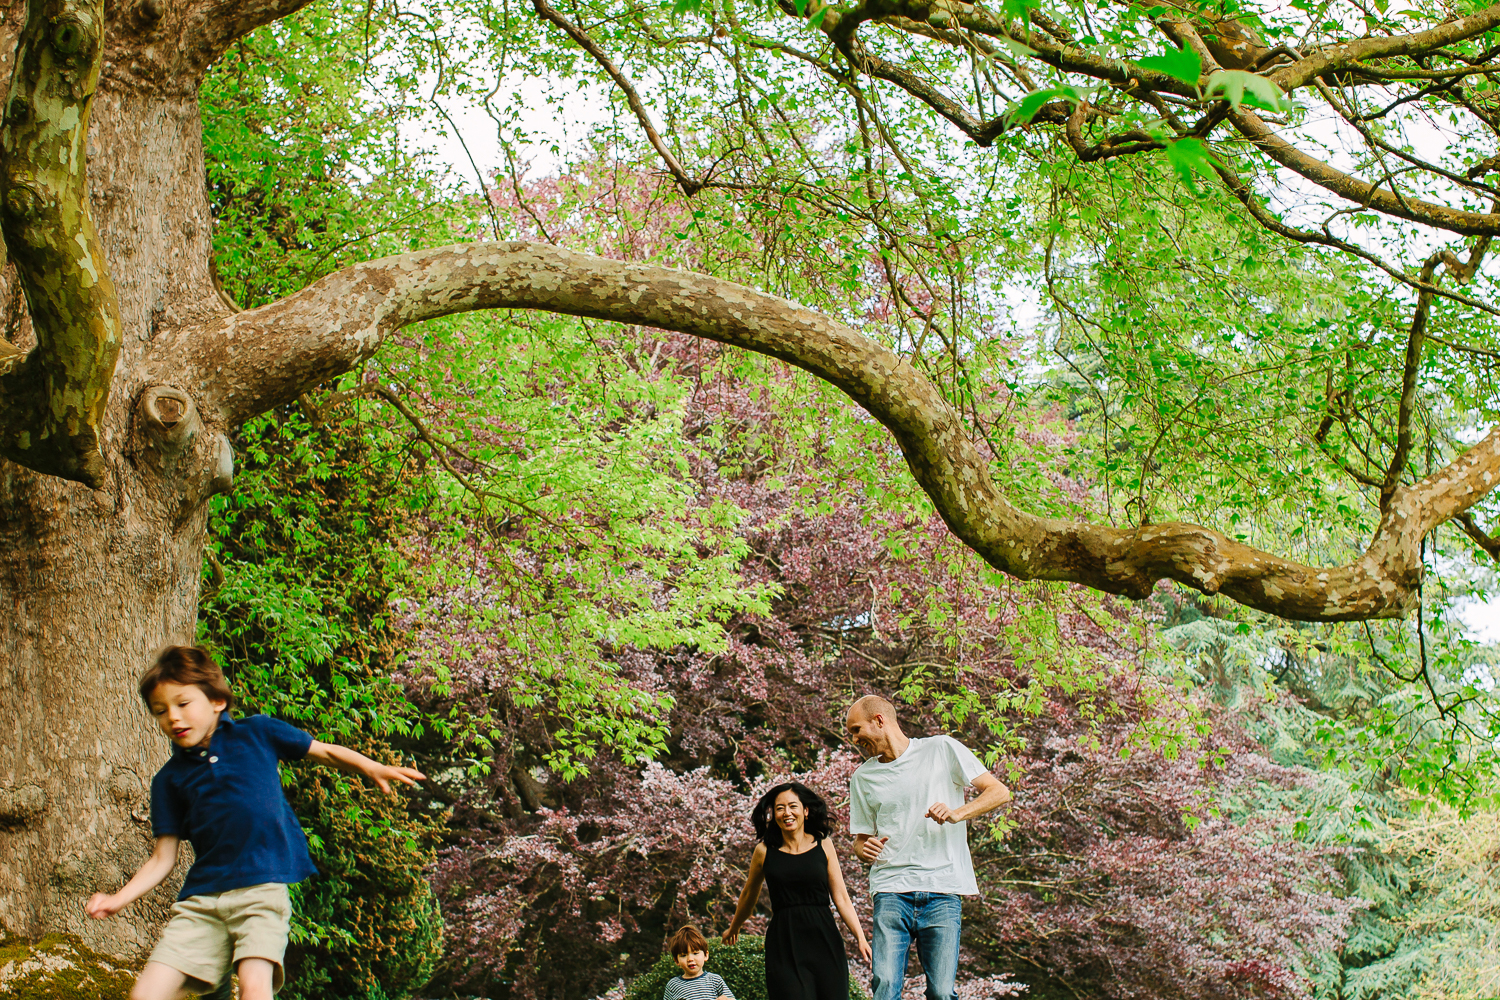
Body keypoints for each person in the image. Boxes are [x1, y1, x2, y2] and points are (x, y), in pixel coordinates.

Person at [85, 645, 426, 1000]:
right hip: (202, 902)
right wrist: (117, 899)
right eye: (160, 710)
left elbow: (322, 750)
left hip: (261, 894)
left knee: (254, 988)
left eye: (183, 704)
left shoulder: (258, 732)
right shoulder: (169, 781)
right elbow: (162, 858)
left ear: (217, 700)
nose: (172, 717)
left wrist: (371, 766)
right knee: (146, 994)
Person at [845, 695, 1011, 1000]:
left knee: (942, 992)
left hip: (942, 888)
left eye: (857, 730)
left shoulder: (941, 749)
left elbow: (999, 791)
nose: (854, 739)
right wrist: (862, 849)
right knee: (885, 985)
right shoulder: (863, 777)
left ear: (879, 720)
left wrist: (958, 812)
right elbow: (861, 839)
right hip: (891, 888)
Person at [722, 782, 872, 1000]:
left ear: (806, 810)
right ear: (773, 815)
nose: (787, 813)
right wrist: (734, 927)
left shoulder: (824, 845)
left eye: (793, 806)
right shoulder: (763, 851)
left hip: (824, 938)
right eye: (780, 808)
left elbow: (841, 897)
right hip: (785, 942)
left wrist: (860, 936)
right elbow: (748, 895)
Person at [663, 925, 735, 1000]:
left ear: (705, 955)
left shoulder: (715, 980)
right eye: (683, 955)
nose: (690, 959)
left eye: (695, 953)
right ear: (677, 961)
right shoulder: (673, 985)